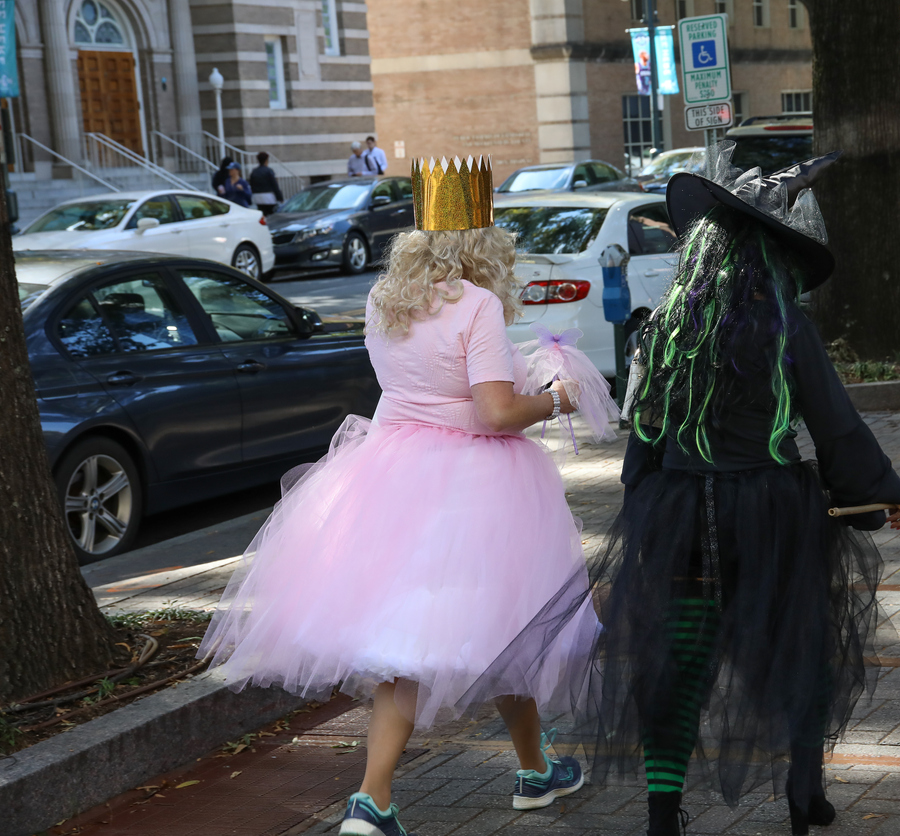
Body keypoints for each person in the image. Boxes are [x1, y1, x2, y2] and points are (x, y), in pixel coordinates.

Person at [495, 141, 900, 836]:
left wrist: (643, 516)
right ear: (771, 255)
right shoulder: (786, 329)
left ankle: (665, 816)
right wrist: (885, 495)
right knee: (798, 647)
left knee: (678, 662)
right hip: (775, 513)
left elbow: (649, 436)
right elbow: (835, 428)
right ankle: (802, 798)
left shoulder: (664, 330)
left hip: (682, 512)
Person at [200, 154, 600, 836]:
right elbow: (495, 414)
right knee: (471, 631)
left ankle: (501, 776)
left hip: (390, 472)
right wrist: (557, 397)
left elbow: (412, 391)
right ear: (483, 241)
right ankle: (403, 794)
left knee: (451, 634)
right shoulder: (474, 306)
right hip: (476, 484)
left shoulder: (385, 297)